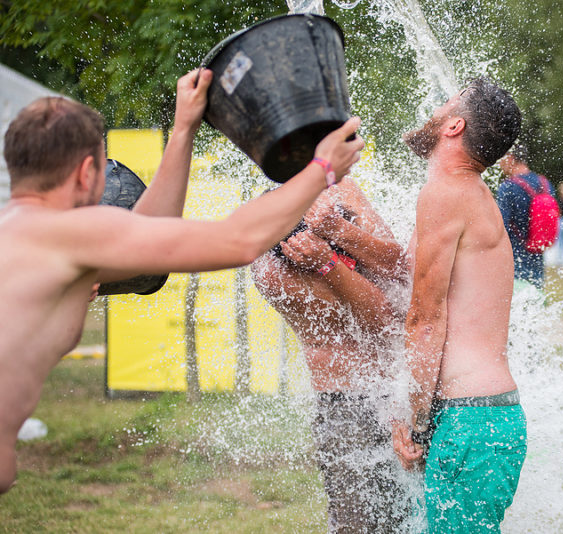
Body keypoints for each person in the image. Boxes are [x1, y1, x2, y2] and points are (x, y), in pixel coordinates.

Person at [0, 69, 364, 493]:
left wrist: (183, 130)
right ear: (86, 173)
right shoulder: (69, 235)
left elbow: (147, 236)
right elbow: (238, 241)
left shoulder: (29, 235)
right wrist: (320, 169)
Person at [392, 77, 527, 533]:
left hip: (473, 421)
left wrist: (411, 423)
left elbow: (425, 320)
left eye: (442, 107)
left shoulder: (447, 194)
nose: (430, 114)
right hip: (481, 418)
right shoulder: (464, 194)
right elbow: (403, 271)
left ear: (454, 125)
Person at [251, 178, 411, 533]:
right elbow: (383, 322)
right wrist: (329, 264)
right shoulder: (269, 265)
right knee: (357, 525)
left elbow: (402, 267)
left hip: (401, 391)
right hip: (347, 404)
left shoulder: (345, 192)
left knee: (412, 521)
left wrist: (342, 232)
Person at [496, 145, 556, 288]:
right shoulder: (545, 183)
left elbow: (500, 227)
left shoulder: (508, 187)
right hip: (537, 255)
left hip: (514, 257)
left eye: (501, 158)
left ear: (510, 158)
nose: (499, 163)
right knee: (535, 300)